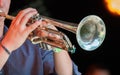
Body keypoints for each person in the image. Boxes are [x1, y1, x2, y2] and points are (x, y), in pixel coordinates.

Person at [0, 0, 81, 75]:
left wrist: (57, 45)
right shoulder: (13, 41)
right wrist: (8, 44)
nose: (1, 3)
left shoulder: (33, 40)